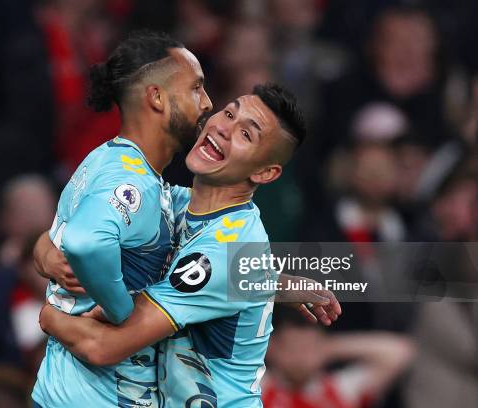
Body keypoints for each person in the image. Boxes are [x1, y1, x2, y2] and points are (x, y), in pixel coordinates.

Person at [39, 83, 342, 407]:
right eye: (229, 113)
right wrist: (46, 255)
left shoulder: (223, 251)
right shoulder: (175, 201)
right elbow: (58, 233)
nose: (224, 129)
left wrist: (50, 318)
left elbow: (104, 347)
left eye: (246, 135)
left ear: (266, 172)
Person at [31, 30, 213, 408]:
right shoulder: (133, 182)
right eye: (196, 88)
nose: (208, 103)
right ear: (157, 97)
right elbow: (85, 242)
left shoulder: (106, 160)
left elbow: (59, 239)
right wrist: (125, 316)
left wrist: (44, 252)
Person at [261, 308, 415, 408]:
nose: (300, 357)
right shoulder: (255, 388)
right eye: (292, 348)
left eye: (308, 348)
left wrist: (332, 347)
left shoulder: (342, 389)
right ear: (274, 348)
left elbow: (399, 351)